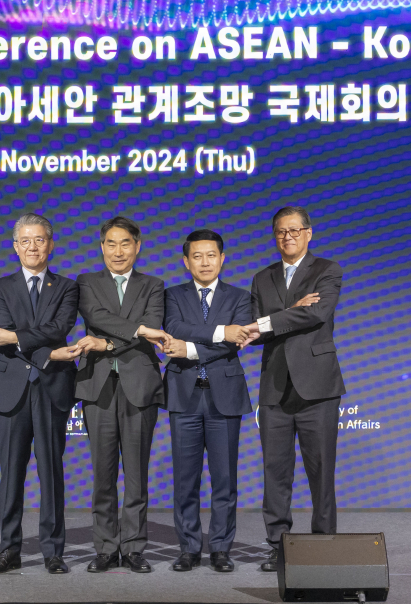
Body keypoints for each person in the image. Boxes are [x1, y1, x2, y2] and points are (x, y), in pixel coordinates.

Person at [0, 214, 82, 575]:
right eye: (25, 241)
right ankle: (9, 549)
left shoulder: (68, 287)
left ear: (51, 245)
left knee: (51, 471)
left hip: (53, 386)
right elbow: (2, 333)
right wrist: (48, 351)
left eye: (39, 240)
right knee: (11, 473)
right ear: (15, 247)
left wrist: (27, 342)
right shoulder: (0, 287)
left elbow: (59, 327)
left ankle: (54, 550)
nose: (32, 247)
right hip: (12, 389)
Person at [244, 206, 344, 572]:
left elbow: (315, 314)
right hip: (274, 386)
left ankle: (323, 544)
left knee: (321, 471)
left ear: (309, 233)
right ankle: (278, 545)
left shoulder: (327, 270)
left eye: (295, 230)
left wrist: (270, 320)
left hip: (318, 387)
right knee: (276, 472)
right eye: (281, 232)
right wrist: (281, 316)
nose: (288, 237)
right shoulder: (261, 277)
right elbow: (251, 331)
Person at [158, 229, 255, 573]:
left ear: (222, 258)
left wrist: (192, 348)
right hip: (183, 395)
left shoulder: (241, 297)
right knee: (186, 479)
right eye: (197, 256)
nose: (205, 262)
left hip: (224, 397)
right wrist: (219, 332)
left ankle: (220, 548)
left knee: (224, 479)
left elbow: (237, 338)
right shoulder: (171, 296)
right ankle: (188, 548)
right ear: (186, 262)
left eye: (211, 255)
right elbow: (174, 327)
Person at [74, 216, 167, 574]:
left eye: (125, 243)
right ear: (101, 247)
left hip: (139, 387)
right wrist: (138, 330)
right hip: (97, 387)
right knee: (103, 473)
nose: (118, 251)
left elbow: (153, 329)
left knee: (136, 474)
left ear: (137, 246)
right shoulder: (86, 283)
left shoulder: (154, 285)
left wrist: (108, 341)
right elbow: (96, 315)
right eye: (110, 244)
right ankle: (104, 547)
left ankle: (133, 548)